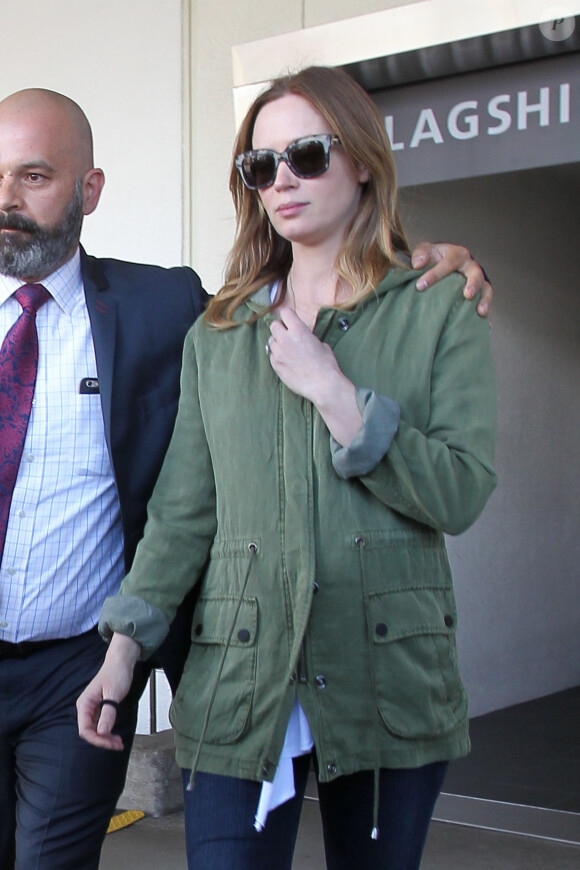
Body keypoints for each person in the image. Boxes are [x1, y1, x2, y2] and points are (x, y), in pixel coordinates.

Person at [0, 85, 487, 870]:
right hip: (238, 675)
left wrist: (336, 393)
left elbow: (460, 490)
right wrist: (125, 654)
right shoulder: (223, 329)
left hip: (384, 671)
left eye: (306, 155)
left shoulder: (430, 311)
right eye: (262, 164)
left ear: (361, 161)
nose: (282, 180)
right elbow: (184, 514)